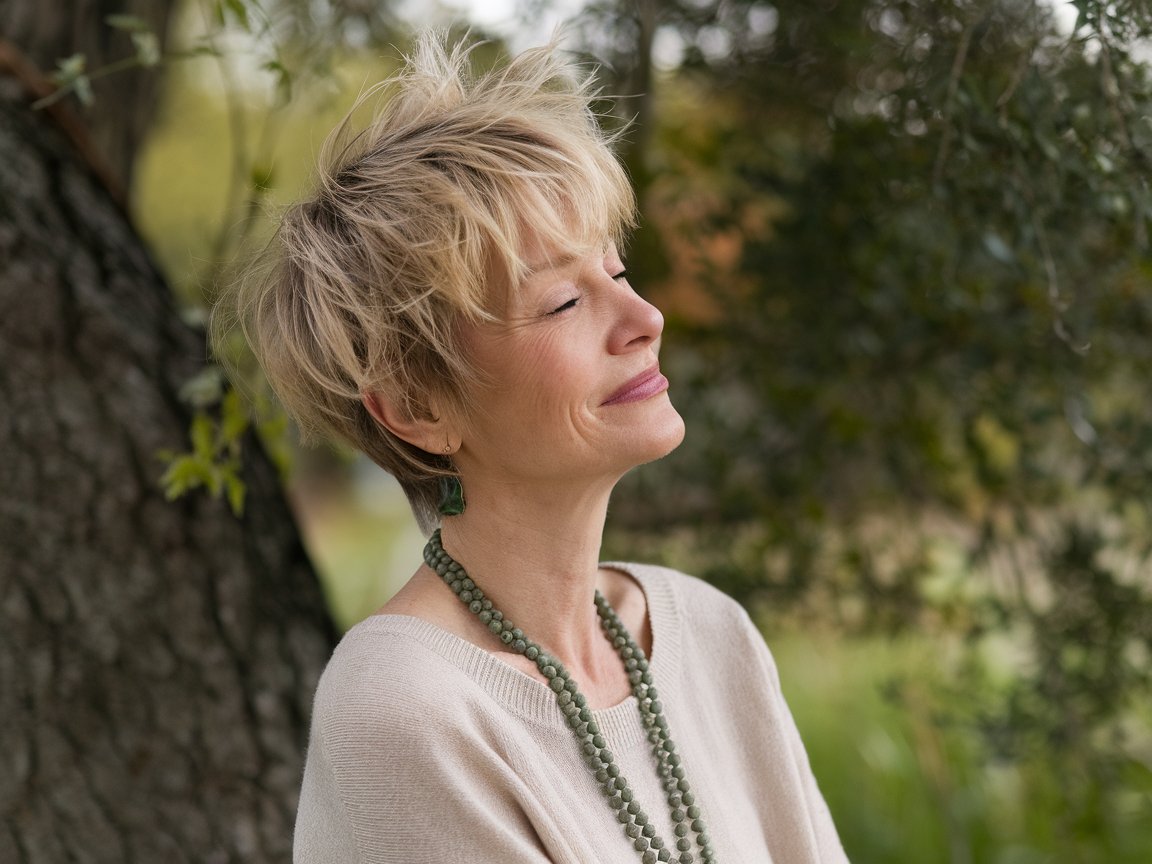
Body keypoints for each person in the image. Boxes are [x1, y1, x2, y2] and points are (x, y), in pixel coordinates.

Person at [220, 32, 848, 864]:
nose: (645, 319)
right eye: (562, 303)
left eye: (617, 274)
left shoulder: (709, 634)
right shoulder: (404, 707)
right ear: (416, 407)